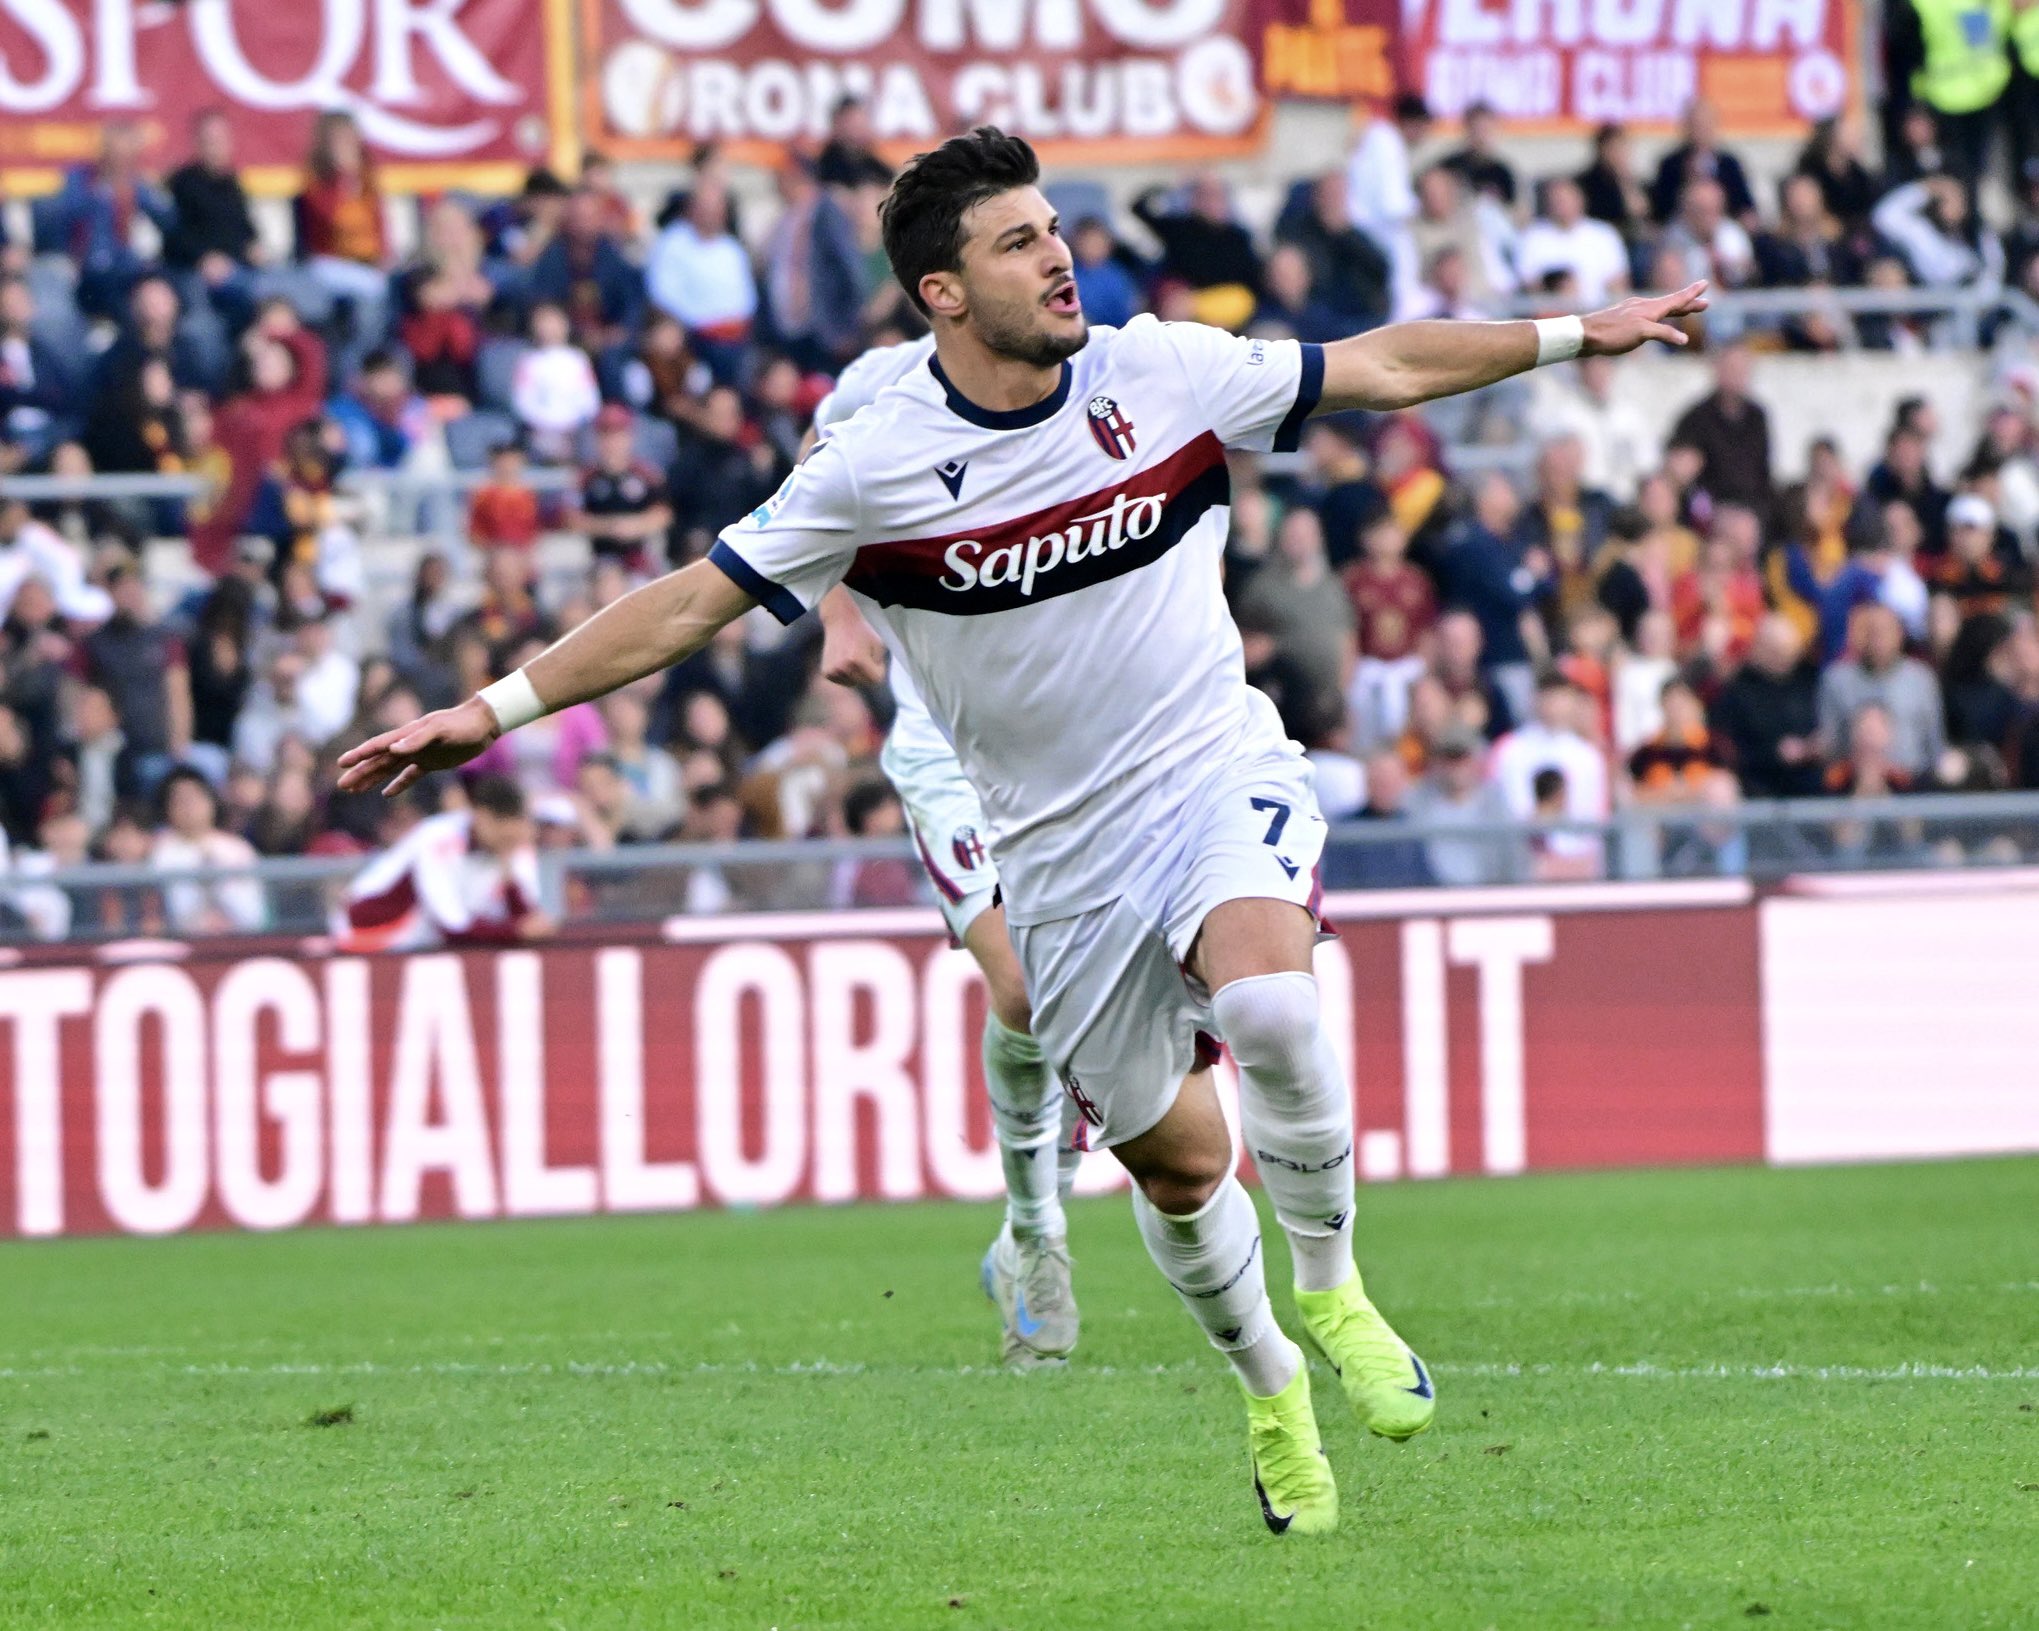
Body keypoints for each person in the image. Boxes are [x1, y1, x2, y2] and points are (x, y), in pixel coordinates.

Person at [339, 125, 1706, 1539]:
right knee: (1179, 1168)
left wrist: (1567, 335)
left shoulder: (1157, 371)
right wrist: (489, 710)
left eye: (1053, 228)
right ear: (941, 292)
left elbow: (1380, 363)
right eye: (1015, 241)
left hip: (1204, 768)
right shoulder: (873, 469)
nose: (1057, 254)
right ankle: (1268, 1380)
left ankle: (1334, 1284)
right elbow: (689, 601)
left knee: (1271, 1007)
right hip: (1053, 860)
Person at [337, 776, 551, 951]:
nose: (510, 845)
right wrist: (516, 931)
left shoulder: (512, 848)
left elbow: (525, 920)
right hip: (370, 930)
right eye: (506, 837)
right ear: (483, 818)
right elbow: (451, 926)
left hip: (423, 945)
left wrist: (510, 881)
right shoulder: (438, 837)